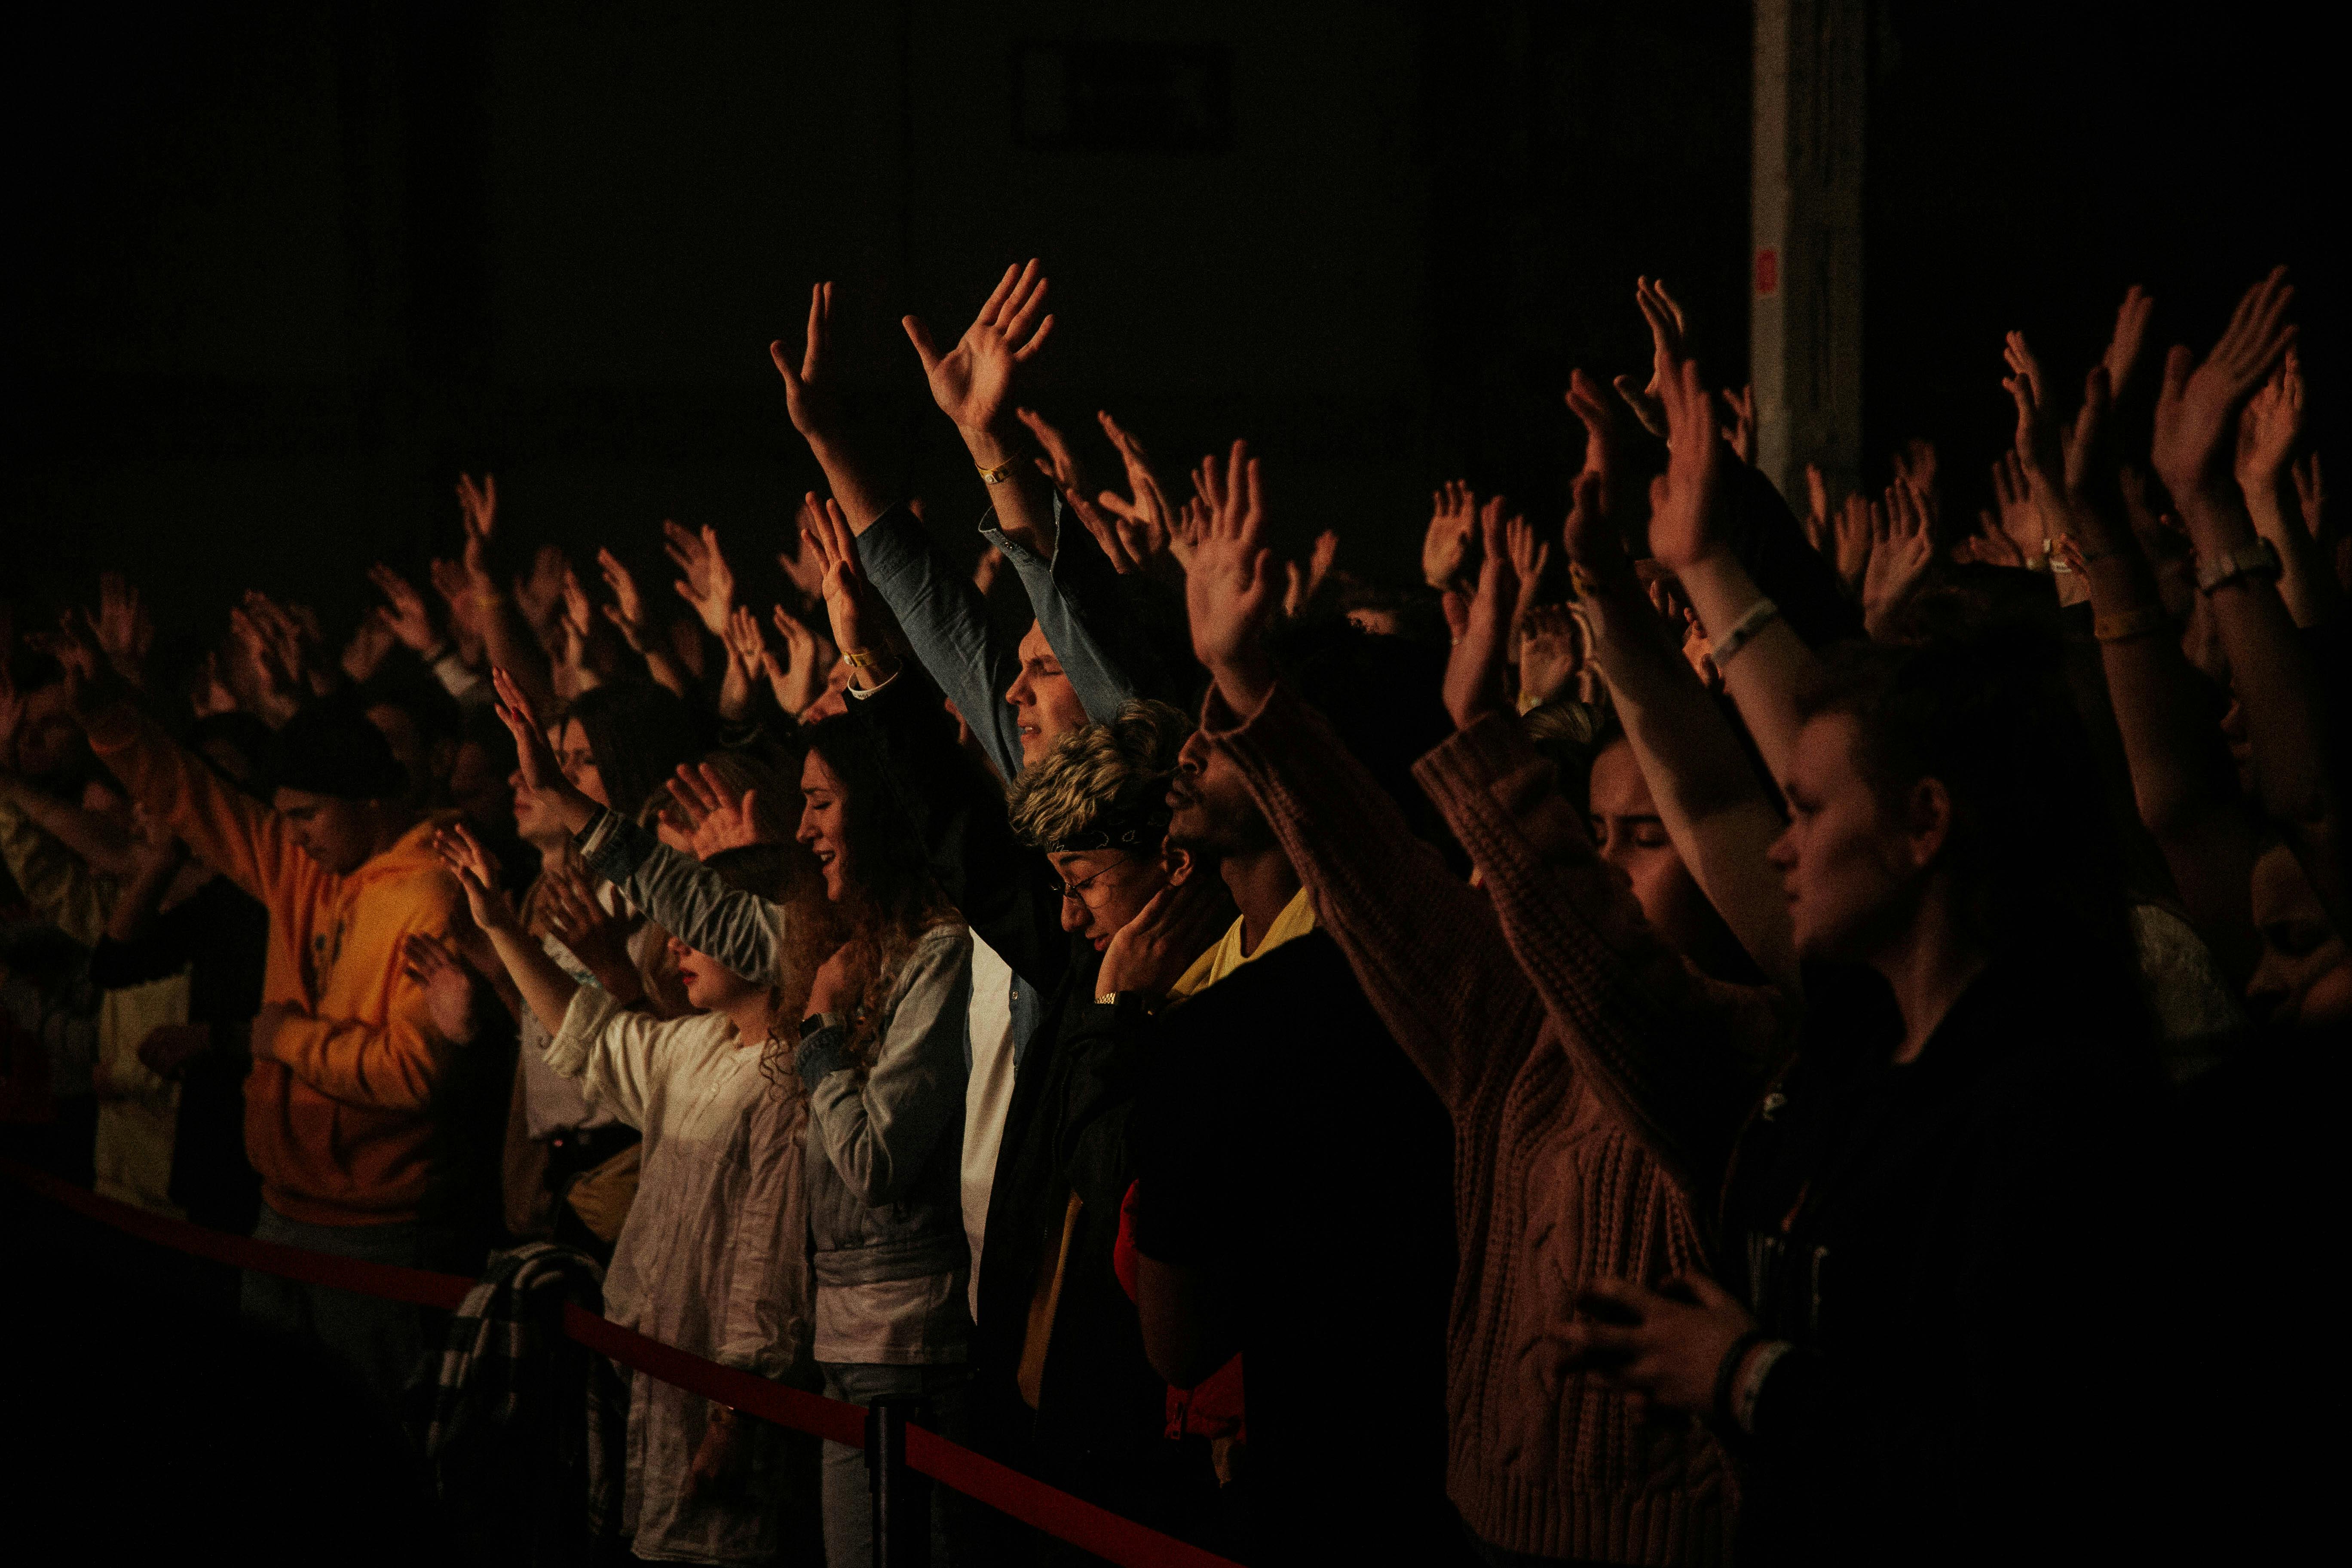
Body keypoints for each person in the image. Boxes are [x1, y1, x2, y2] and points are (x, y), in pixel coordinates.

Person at [1545, 337, 2162, 1564]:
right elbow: (1724, 801)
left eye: (1814, 815)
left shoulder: (2052, 1105)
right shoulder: (1852, 1042)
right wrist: (1673, 575)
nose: (1780, 847)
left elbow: (2017, 1478)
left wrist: (1748, 1376)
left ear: (1929, 825)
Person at [1139, 439, 1742, 1566]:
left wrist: (1490, 729)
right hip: (1473, 1528)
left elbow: (1606, 970)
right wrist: (1244, 681)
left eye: (1644, 839)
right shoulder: (1518, 1038)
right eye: (1592, 836)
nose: (1606, 867)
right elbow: (1381, 886)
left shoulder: (1726, 1050)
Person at [492, 667, 972, 1568]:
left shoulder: (931, 952)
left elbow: (871, 1163)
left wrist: (823, 1033)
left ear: (877, 808)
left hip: (910, 1344)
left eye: (822, 803)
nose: (804, 828)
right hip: (843, 1336)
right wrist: (562, 802)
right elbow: (700, 907)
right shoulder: (833, 944)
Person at [61, 622, 476, 1408]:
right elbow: (191, 795)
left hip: (374, 1227)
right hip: (279, 1207)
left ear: (369, 801)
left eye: (311, 816)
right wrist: (106, 717)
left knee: (367, 1435)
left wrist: (281, 1038)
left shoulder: (429, 893)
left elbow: (414, 1071)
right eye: (283, 816)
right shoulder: (300, 860)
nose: (292, 837)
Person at [439, 817, 821, 1566]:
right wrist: (503, 929)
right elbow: (593, 1033)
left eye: (698, 925)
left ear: (759, 936)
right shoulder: (698, 1045)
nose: (674, 942)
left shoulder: (788, 1077)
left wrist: (735, 1416)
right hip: (661, 1371)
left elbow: (766, 1261)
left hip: (720, 1395)